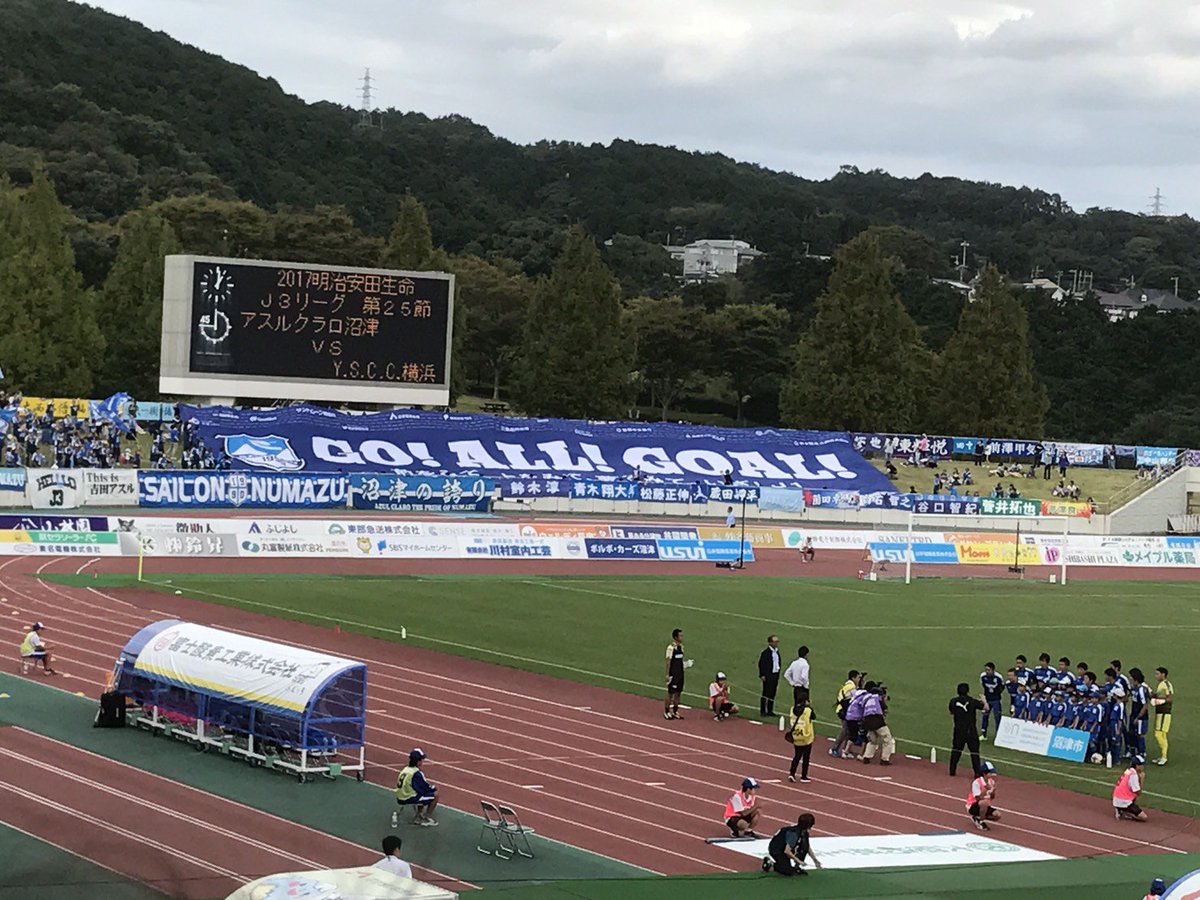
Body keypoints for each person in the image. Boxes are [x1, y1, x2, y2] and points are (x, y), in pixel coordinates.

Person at [395, 748, 439, 826]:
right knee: (435, 795)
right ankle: (426, 817)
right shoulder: (416, 773)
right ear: (418, 761)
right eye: (422, 760)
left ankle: (419, 814)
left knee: (421, 793)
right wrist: (433, 787)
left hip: (400, 795)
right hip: (407, 798)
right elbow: (424, 788)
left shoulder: (406, 769)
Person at [949, 683, 984, 776]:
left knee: (956, 750)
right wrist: (983, 699)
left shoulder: (953, 701)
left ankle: (952, 770)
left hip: (959, 729)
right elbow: (985, 708)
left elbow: (951, 712)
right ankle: (977, 772)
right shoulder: (972, 701)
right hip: (970, 730)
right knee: (974, 752)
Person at [830, 670, 862, 758]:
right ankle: (834, 748)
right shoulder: (851, 687)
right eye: (858, 677)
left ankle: (846, 750)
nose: (859, 679)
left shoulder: (848, 685)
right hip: (844, 711)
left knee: (848, 731)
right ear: (853, 678)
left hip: (845, 710)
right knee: (845, 731)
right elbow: (855, 699)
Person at [860, 683, 894, 765]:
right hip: (877, 721)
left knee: (872, 740)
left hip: (867, 722)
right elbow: (884, 708)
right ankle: (884, 759)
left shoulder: (866, 699)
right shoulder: (877, 698)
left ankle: (867, 757)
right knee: (888, 739)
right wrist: (884, 700)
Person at [787, 690, 815, 783]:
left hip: (796, 736)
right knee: (806, 757)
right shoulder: (808, 710)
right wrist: (809, 706)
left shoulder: (792, 709)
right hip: (806, 737)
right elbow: (813, 717)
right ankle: (804, 776)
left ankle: (792, 773)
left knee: (797, 756)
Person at [966, 761, 1001, 830]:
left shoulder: (991, 782)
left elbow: (992, 797)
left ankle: (978, 817)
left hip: (985, 806)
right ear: (984, 773)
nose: (992, 774)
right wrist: (985, 789)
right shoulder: (977, 782)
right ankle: (980, 821)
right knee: (983, 803)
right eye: (990, 773)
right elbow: (978, 798)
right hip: (973, 806)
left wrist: (993, 792)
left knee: (997, 815)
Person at [1113, 755, 1149, 821]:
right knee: (1143, 817)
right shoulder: (1133, 775)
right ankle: (1123, 812)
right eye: (1141, 765)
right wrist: (1142, 779)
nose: (1143, 767)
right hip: (1123, 801)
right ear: (1137, 766)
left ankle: (1121, 809)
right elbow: (1138, 792)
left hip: (1118, 798)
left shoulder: (1128, 771)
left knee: (1133, 795)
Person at [1151, 666, 1173, 766]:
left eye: (1157, 674)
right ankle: (1162, 755)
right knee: (1159, 733)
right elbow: (1157, 695)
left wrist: (1159, 701)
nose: (1156, 676)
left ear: (1163, 674)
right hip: (1160, 712)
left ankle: (1164, 756)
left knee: (1160, 734)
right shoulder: (1160, 685)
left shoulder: (1166, 684)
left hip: (1165, 712)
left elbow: (1170, 699)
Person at [1128, 667, 1151, 759]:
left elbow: (1145, 705)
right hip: (1133, 714)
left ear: (1135, 678)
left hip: (1140, 717)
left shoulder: (1142, 690)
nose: (1129, 678)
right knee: (1132, 733)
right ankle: (1133, 753)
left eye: (1131, 677)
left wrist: (1138, 717)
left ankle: (1141, 753)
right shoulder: (1134, 688)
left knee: (1139, 734)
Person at [664, 628, 685, 720]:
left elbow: (680, 661)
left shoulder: (681, 647)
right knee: (670, 693)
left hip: (680, 673)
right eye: (680, 635)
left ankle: (675, 711)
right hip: (673, 674)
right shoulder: (671, 648)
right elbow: (668, 661)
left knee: (678, 693)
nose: (682, 637)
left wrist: (686, 664)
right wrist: (667, 674)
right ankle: (667, 711)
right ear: (676, 637)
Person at [757, 634, 781, 718]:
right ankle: (763, 710)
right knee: (765, 693)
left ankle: (770, 710)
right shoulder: (765, 653)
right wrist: (762, 674)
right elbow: (761, 664)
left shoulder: (777, 652)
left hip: (775, 675)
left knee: (772, 693)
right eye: (775, 642)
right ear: (770, 642)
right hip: (768, 675)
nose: (776, 643)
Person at [979, 662, 1003, 740]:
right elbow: (983, 685)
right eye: (986, 670)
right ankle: (984, 734)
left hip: (996, 700)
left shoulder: (998, 677)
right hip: (987, 700)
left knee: (997, 717)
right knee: (985, 716)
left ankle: (998, 735)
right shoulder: (983, 676)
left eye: (988, 670)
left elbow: (1002, 686)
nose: (987, 671)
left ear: (993, 670)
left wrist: (996, 694)